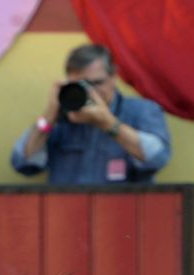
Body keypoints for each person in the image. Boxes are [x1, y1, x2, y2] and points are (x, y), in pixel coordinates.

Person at [10, 43, 171, 184]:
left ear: (113, 76)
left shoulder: (141, 111)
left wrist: (109, 124)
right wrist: (49, 118)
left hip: (123, 211)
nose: (91, 91)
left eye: (96, 83)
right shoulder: (61, 118)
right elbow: (23, 163)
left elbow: (158, 158)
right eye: (82, 85)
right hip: (68, 212)